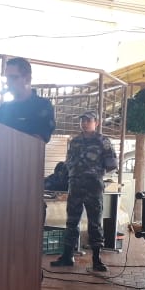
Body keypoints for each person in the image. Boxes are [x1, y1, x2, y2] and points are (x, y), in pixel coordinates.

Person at [51, 112, 118, 272]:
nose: (85, 123)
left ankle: (96, 259)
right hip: (75, 185)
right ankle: (67, 256)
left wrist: (95, 172)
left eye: (88, 120)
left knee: (95, 222)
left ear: (97, 123)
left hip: (93, 186)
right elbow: (68, 161)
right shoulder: (74, 141)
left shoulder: (103, 141)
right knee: (72, 221)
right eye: (83, 120)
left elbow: (112, 164)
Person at [0, 57, 56, 143]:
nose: (8, 83)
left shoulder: (43, 106)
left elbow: (39, 140)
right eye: (7, 78)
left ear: (27, 79)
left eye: (13, 78)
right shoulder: (4, 108)